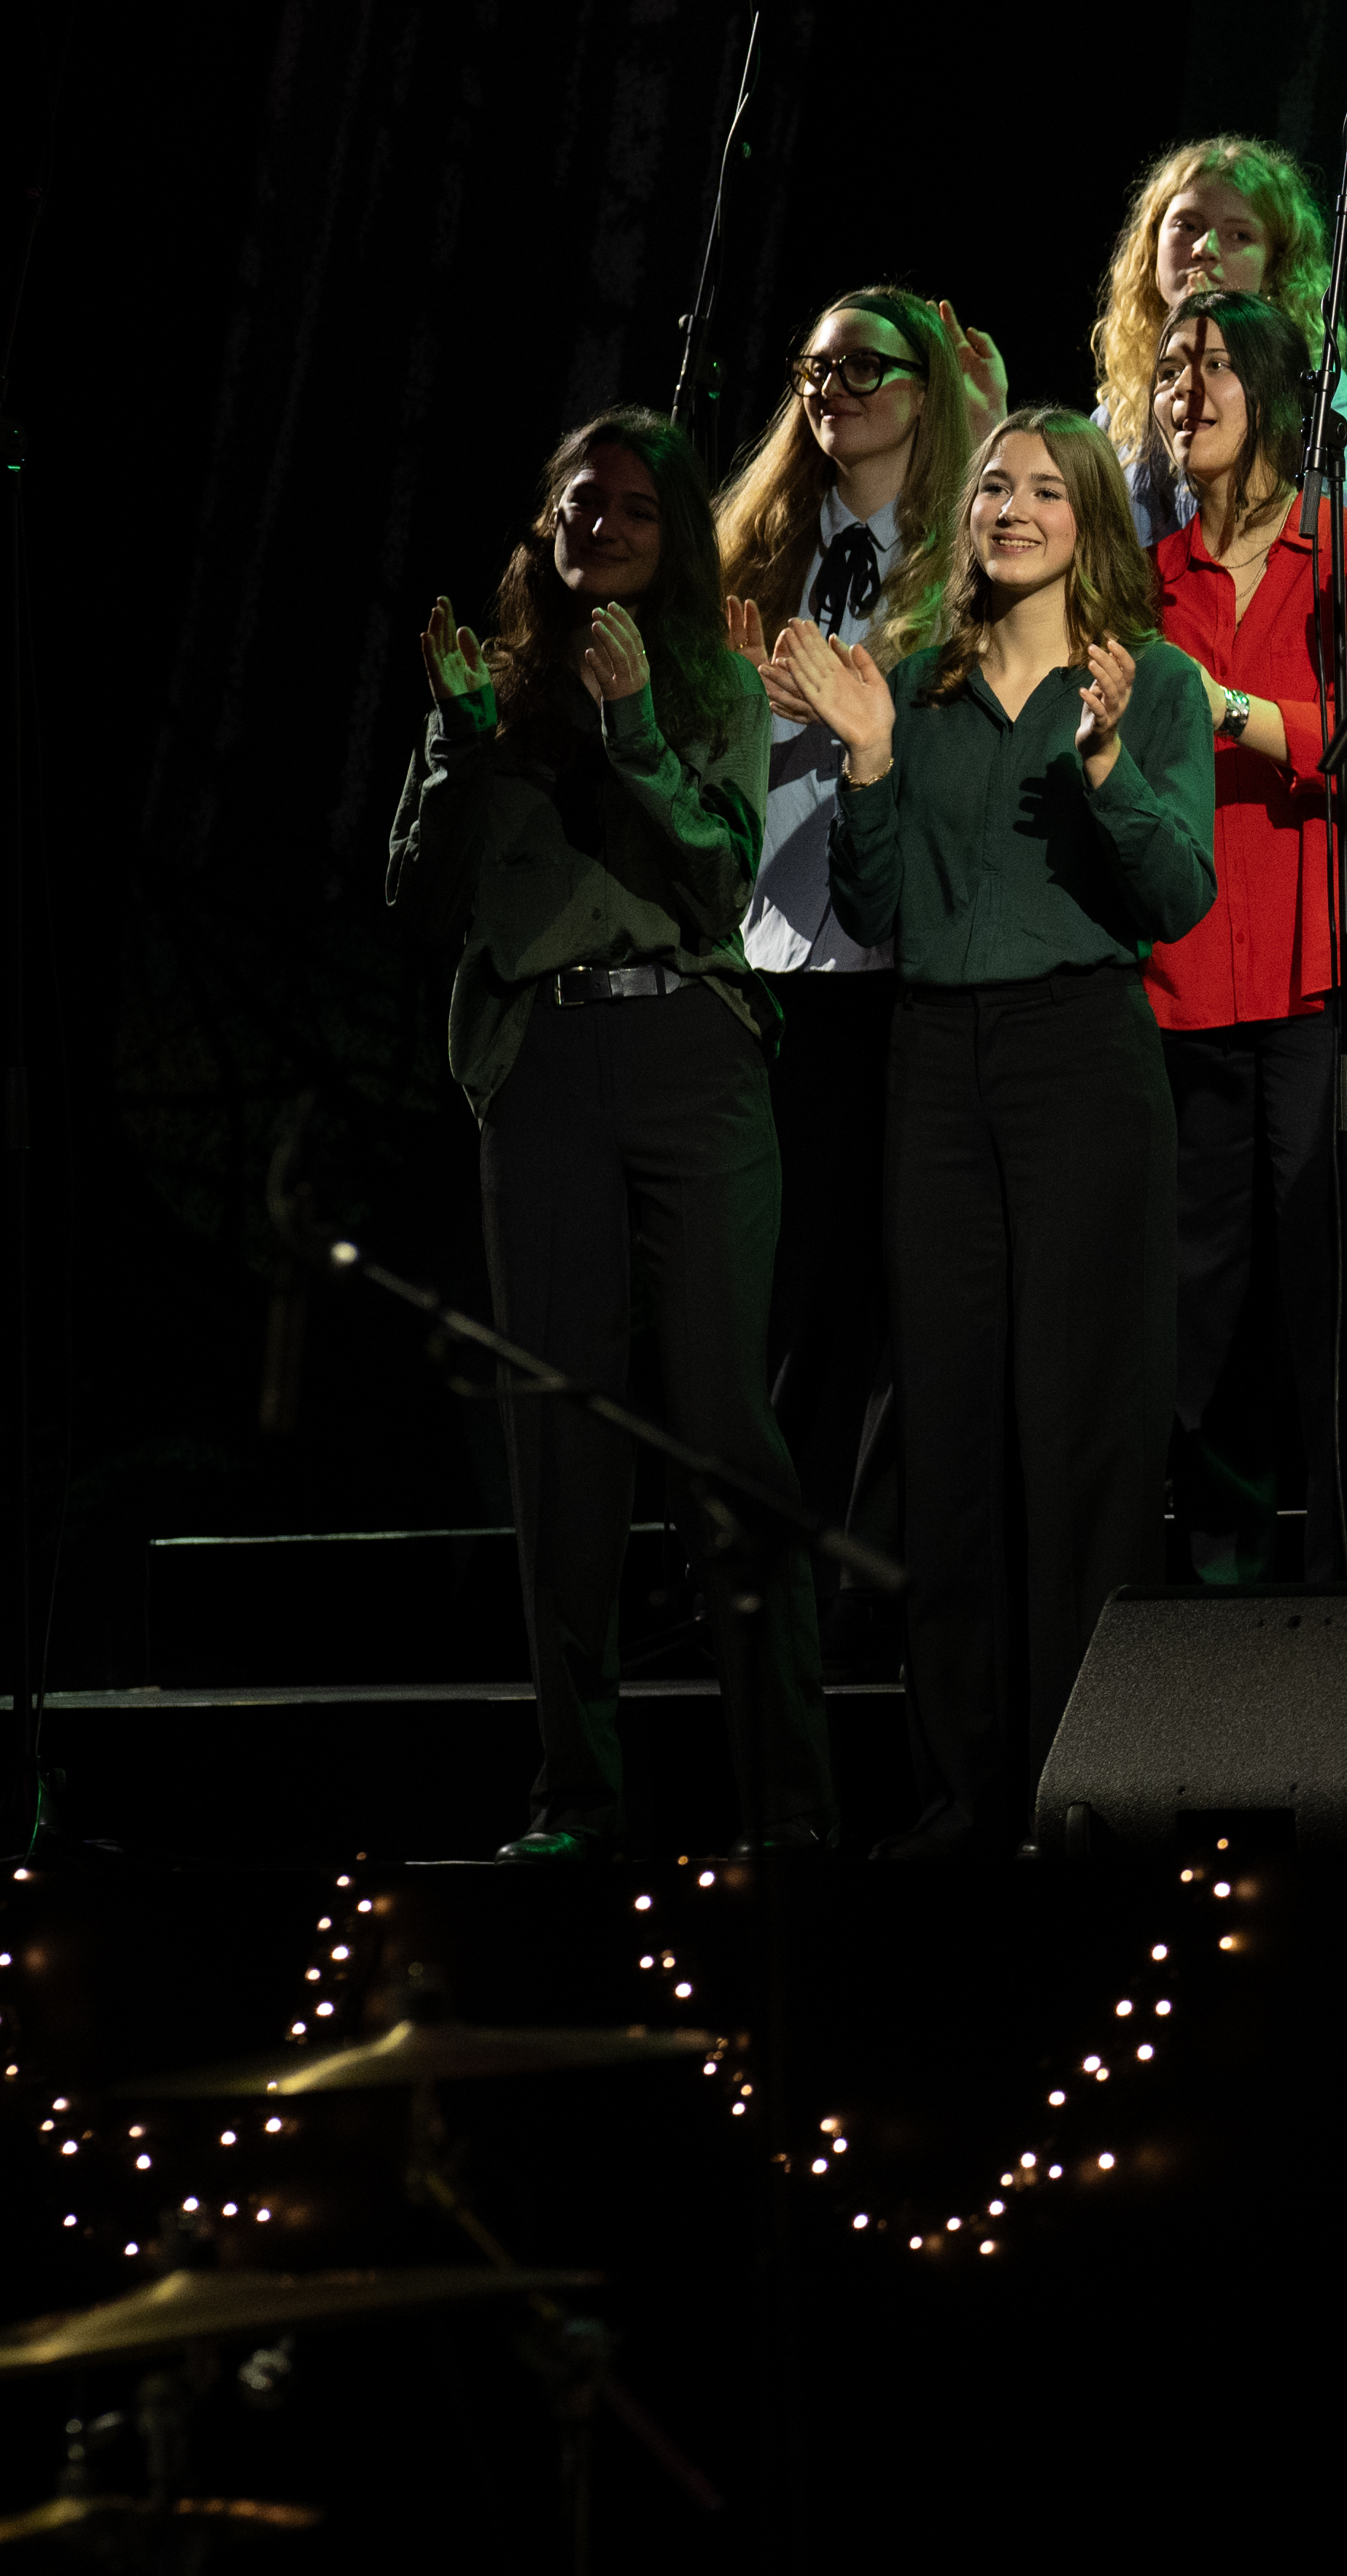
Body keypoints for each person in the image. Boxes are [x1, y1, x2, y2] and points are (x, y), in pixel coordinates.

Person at [769, 408, 1217, 1852]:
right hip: (937, 1065)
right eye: (993, 488)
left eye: (1042, 487)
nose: (1010, 507)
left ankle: (1088, 1787)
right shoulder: (915, 681)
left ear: (1089, 516)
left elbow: (1178, 893)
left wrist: (1104, 769)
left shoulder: (1144, 683)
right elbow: (877, 910)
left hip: (1081, 1057)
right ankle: (965, 1793)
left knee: (1081, 1434)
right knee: (952, 1432)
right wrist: (869, 766)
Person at [392, 410, 834, 1858]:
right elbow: (416, 891)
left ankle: (788, 1804)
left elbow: (716, 888)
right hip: (548, 1064)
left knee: (724, 1432)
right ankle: (576, 1797)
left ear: (675, 534)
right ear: (548, 522)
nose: (608, 526)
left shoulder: (708, 679)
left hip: (692, 1052)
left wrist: (636, 725)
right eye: (585, 503)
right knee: (561, 1442)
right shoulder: (490, 691)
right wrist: (463, 743)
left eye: (640, 509)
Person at [708, 281, 990, 1665]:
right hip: (756, 950)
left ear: (927, 389)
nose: (835, 392)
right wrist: (740, 705)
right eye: (814, 370)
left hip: (883, 953)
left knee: (863, 1281)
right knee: (761, 1285)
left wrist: (863, 691)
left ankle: (845, 1579)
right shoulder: (754, 545)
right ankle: (752, 1573)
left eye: (867, 367)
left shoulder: (956, 552)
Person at [1137, 289, 1347, 1589]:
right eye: (1167, 372)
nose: (1183, 393)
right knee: (1199, 1304)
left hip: (1326, 968)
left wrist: (1237, 711)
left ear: (1270, 392)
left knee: (1333, 1292)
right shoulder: (1144, 581)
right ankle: (1216, 1571)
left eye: (1209, 370)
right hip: (1189, 973)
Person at [1085, 135, 1347, 540]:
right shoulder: (1119, 403)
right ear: (1152, 243)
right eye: (1187, 225)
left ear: (1274, 268)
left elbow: (1316, 545)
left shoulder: (1317, 391)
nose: (1204, 248)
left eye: (1238, 236)